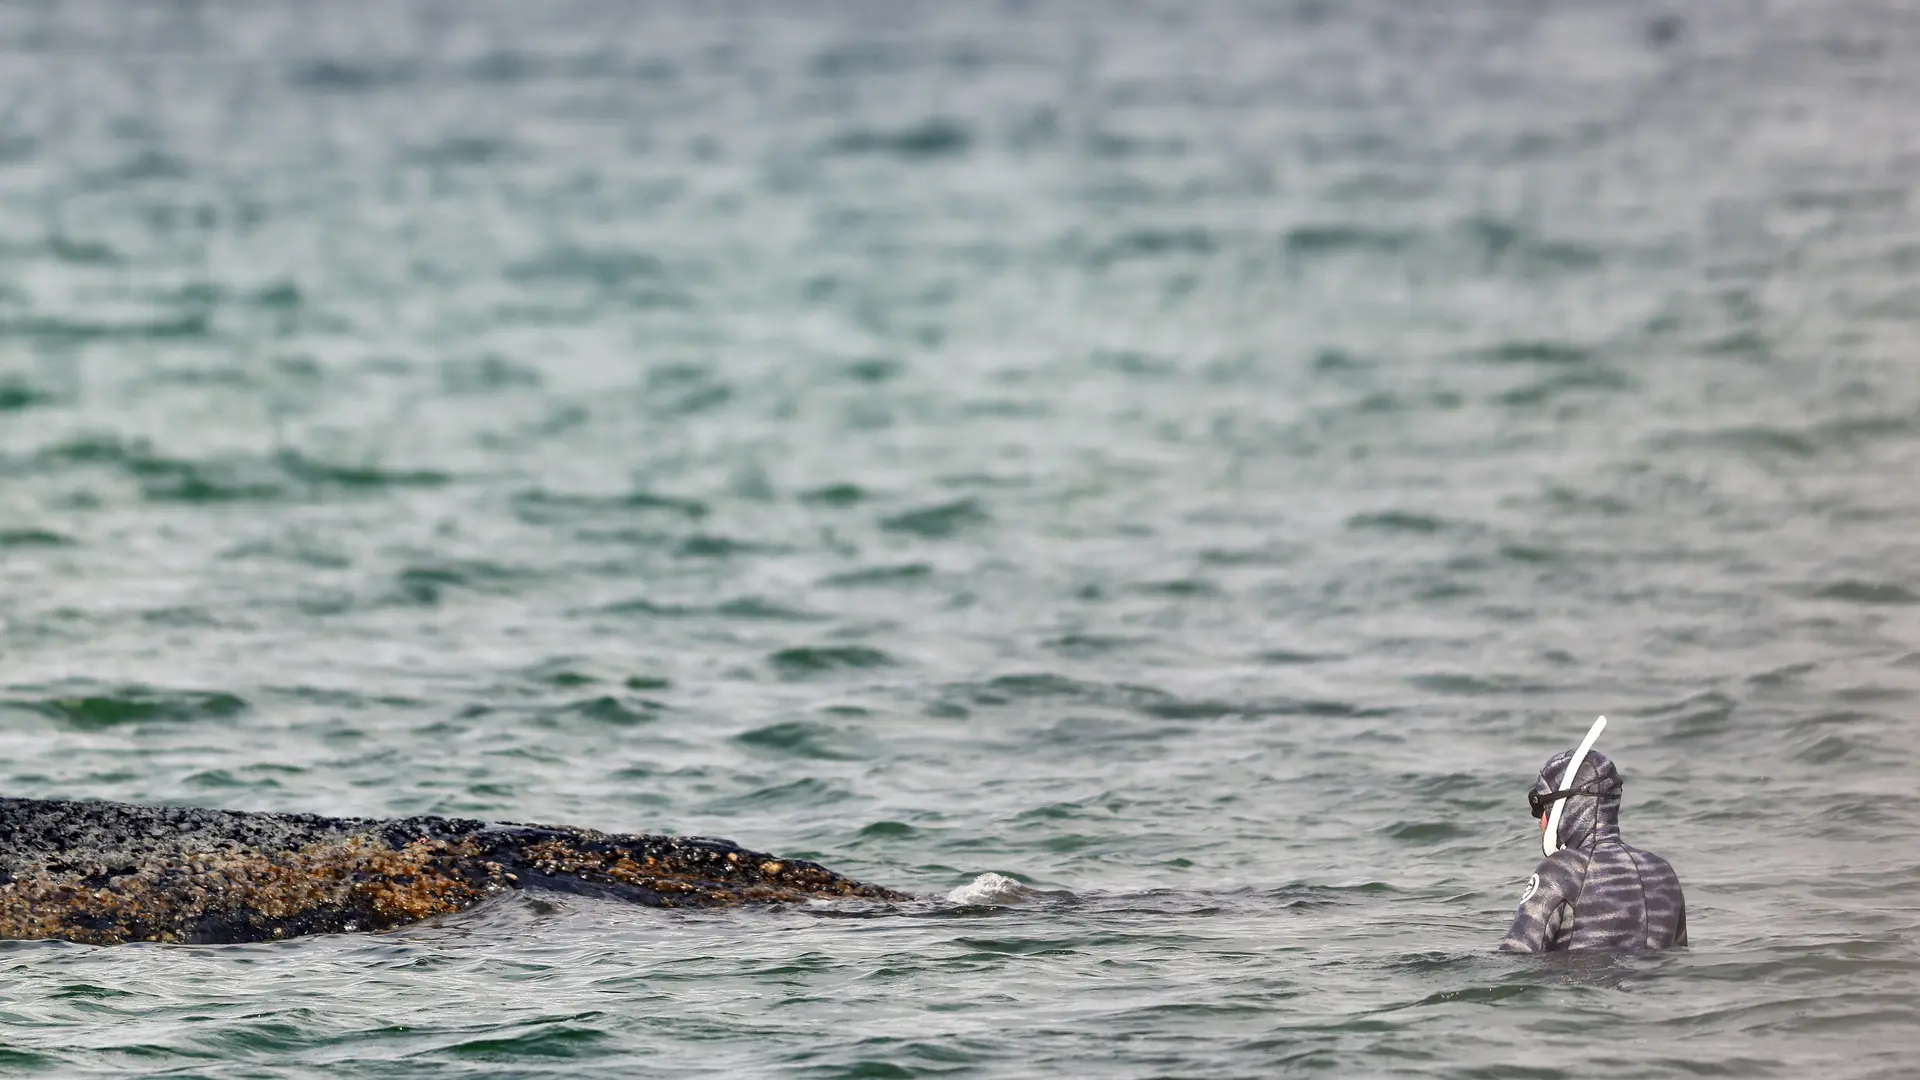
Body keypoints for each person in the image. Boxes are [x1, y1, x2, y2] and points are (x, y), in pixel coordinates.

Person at [1500, 718, 1687, 952]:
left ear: (1565, 806)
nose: (1540, 820)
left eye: (1540, 808)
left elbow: (1515, 959)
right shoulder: (1663, 872)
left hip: (1581, 986)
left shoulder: (1560, 871)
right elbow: (1678, 961)